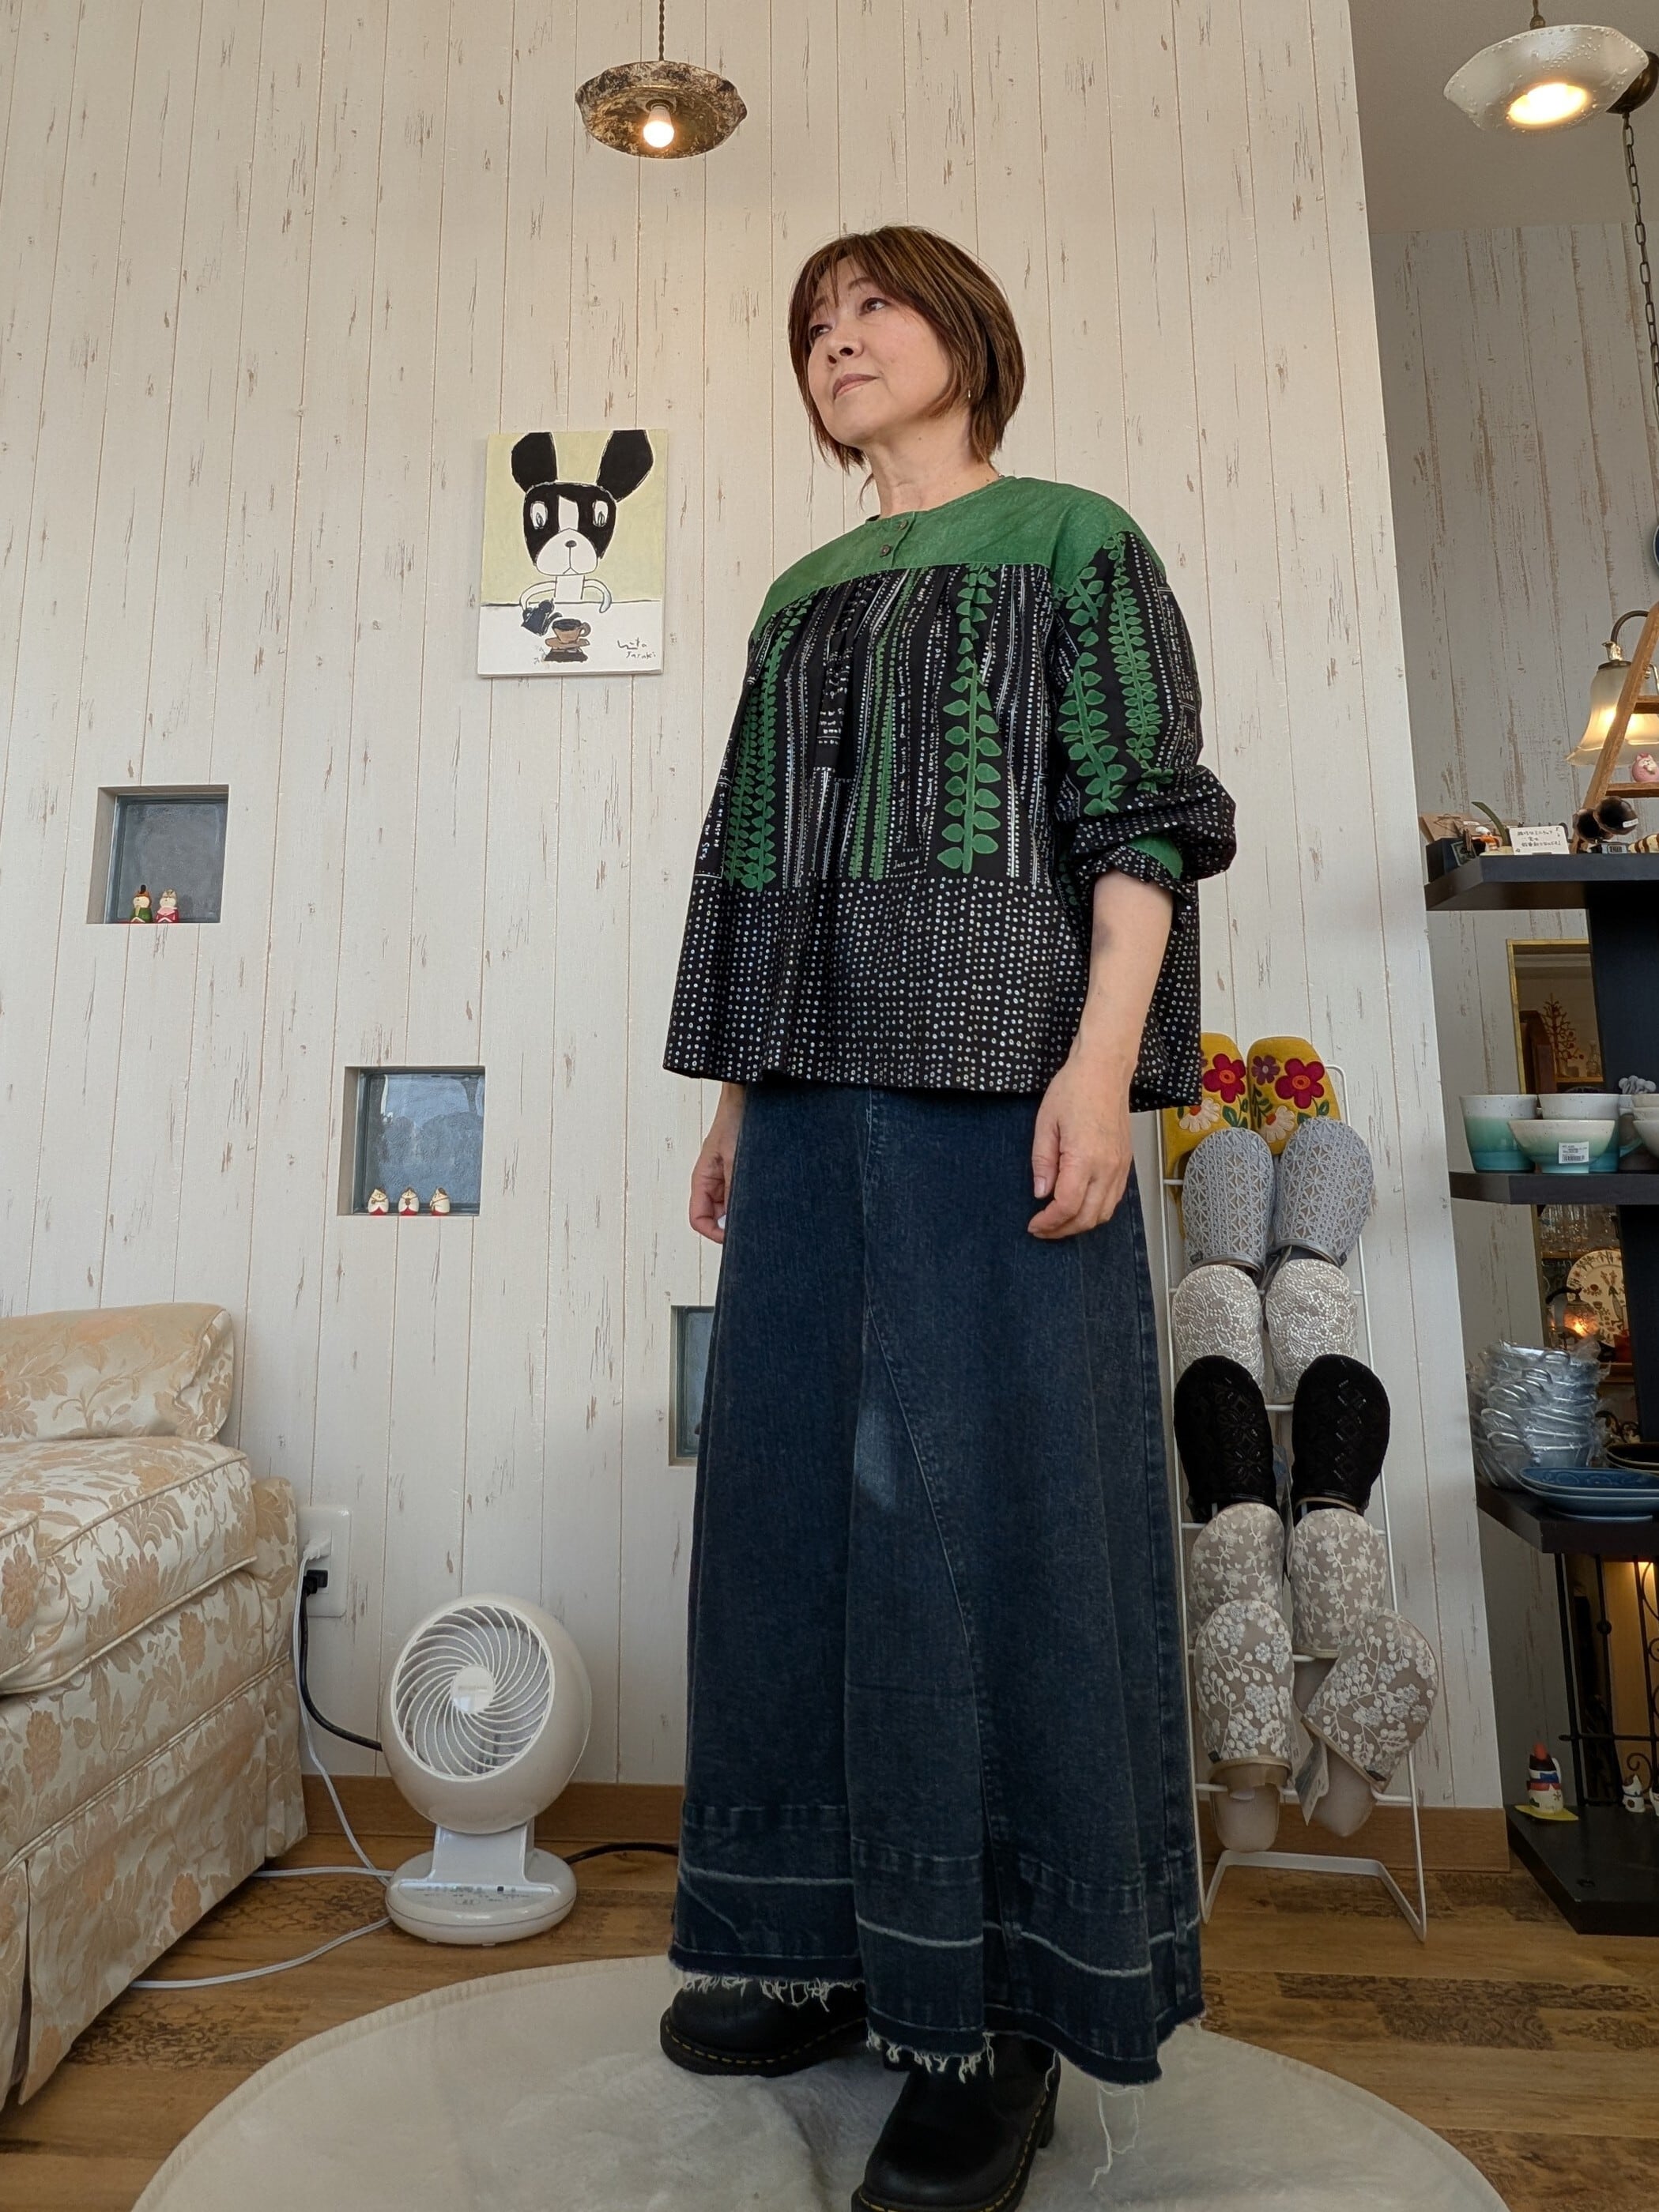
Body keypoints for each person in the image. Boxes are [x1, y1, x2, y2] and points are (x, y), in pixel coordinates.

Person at [658, 224, 1236, 2212]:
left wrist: (1102, 1064)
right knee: (795, 1516)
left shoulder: (1077, 537)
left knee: (991, 1523)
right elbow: (757, 861)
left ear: (969, 334)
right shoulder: (796, 594)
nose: (838, 340)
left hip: (1001, 1085)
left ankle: (1001, 2011)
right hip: (807, 1100)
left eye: (873, 307)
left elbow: (1141, 818)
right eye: (812, 323)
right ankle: (826, 1943)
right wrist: (736, 1102)